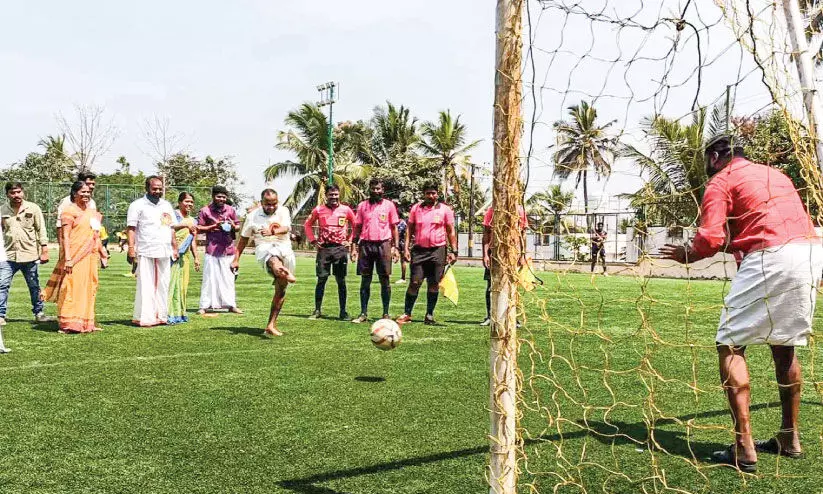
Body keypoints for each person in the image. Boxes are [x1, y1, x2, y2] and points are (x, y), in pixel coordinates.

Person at [661, 135, 823, 473]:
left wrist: (687, 255)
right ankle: (789, 438)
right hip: (809, 252)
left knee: (731, 344)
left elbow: (711, 238)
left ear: (716, 156)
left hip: (770, 257)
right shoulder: (774, 175)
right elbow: (753, 231)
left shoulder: (721, 180)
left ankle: (743, 446)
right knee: (785, 344)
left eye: (707, 159)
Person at [43, 181, 109, 333]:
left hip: (90, 256)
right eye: (83, 192)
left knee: (89, 287)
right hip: (74, 255)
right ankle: (68, 323)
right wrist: (67, 258)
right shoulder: (69, 211)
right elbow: (65, 236)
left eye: (88, 192)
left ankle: (86, 323)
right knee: (71, 287)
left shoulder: (93, 213)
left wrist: (102, 253)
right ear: (74, 193)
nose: (86, 194)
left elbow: (96, 235)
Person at [232, 189, 296, 336]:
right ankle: (282, 270)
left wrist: (273, 232)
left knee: (281, 290)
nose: (271, 207)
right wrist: (236, 259)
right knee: (273, 258)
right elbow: (243, 239)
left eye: (274, 204)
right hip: (264, 248)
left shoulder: (283, 210)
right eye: (268, 204)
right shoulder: (252, 216)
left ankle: (271, 324)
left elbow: (286, 228)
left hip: (285, 248)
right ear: (261, 203)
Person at [396, 183, 457, 326]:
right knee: (415, 282)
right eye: (428, 193)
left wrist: (454, 251)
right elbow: (409, 230)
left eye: (433, 193)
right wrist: (406, 248)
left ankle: (429, 315)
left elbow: (450, 231)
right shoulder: (416, 208)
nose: (431, 196)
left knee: (434, 284)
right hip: (419, 251)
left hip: (438, 251)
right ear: (423, 194)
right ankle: (407, 313)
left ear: (438, 194)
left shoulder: (445, 210)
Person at [127, 176, 179, 327]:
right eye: (154, 188)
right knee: (146, 284)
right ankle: (145, 317)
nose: (157, 191)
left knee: (163, 284)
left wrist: (174, 247)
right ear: (147, 188)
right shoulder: (137, 205)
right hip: (146, 249)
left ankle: (161, 316)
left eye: (160, 188)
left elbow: (171, 228)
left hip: (164, 249)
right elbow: (131, 228)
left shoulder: (166, 205)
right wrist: (131, 249)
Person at [0, 182, 54, 324]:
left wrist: (44, 250)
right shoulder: (2, 210)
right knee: (2, 284)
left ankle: (39, 313)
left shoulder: (33, 208)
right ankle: (0, 315)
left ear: (22, 192)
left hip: (29, 254)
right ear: (7, 194)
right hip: (8, 255)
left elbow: (41, 229)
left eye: (18, 192)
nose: (16, 195)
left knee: (34, 285)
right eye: (12, 192)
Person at [350, 178, 400, 323]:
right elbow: (357, 227)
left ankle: (385, 313)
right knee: (365, 280)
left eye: (378, 188)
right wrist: (354, 246)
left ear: (382, 190)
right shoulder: (362, 206)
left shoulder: (389, 206)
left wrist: (396, 247)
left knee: (385, 279)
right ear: (369, 189)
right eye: (373, 188)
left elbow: (394, 227)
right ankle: (363, 313)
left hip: (383, 245)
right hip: (365, 245)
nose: (376, 191)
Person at [303, 185, 355, 320]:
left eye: (336, 194)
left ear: (339, 195)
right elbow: (307, 225)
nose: (334, 197)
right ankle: (317, 310)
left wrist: (349, 240)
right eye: (331, 194)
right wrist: (313, 241)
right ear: (326, 195)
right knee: (321, 280)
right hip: (324, 249)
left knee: (341, 281)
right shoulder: (319, 209)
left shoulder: (346, 210)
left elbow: (356, 226)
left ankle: (343, 312)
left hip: (340, 249)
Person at [480, 204, 528, 326]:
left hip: (513, 254)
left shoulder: (519, 210)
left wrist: (522, 254)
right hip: (495, 252)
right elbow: (486, 233)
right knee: (491, 284)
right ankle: (491, 316)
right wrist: (485, 254)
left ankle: (512, 316)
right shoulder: (492, 210)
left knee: (512, 284)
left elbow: (523, 234)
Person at [197, 185, 242, 315]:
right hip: (212, 249)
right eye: (218, 196)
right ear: (213, 196)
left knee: (228, 278)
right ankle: (204, 306)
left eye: (223, 196)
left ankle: (231, 305)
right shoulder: (205, 211)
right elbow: (199, 227)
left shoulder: (230, 210)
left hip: (228, 249)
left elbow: (238, 226)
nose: (221, 199)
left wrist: (233, 225)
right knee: (209, 278)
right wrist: (214, 226)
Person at [168, 192, 201, 324]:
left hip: (185, 258)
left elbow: (192, 239)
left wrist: (196, 258)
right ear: (180, 202)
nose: (190, 204)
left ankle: (179, 313)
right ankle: (168, 313)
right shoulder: (173, 215)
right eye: (187, 201)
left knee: (182, 286)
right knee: (171, 284)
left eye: (192, 202)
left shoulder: (193, 220)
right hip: (173, 254)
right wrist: (184, 225)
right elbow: (168, 228)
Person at [56, 171, 97, 251]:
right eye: (89, 183)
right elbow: (60, 227)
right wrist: (63, 249)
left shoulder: (92, 203)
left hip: (88, 248)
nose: (92, 187)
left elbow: (94, 227)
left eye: (93, 184)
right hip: (72, 247)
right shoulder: (67, 202)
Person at [395, 215, 408, 285]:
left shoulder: (402, 224)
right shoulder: (400, 223)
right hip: (400, 243)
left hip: (402, 244)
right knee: (402, 261)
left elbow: (405, 234)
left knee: (403, 261)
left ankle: (403, 278)